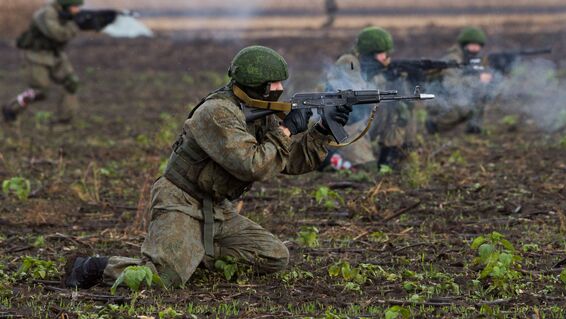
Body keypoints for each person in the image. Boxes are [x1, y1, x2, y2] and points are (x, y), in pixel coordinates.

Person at [64, 46, 352, 289]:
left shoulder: (259, 112)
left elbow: (285, 163)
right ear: (256, 85)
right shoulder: (216, 113)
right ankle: (93, 267)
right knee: (164, 279)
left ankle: (191, 253)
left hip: (217, 208)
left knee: (274, 256)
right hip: (180, 200)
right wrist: (287, 131)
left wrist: (322, 131)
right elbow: (254, 165)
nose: (280, 89)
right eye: (274, 84)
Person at [325, 26, 414, 170]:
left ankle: (388, 157)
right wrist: (384, 77)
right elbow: (357, 90)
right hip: (344, 126)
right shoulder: (348, 62)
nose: (386, 58)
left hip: (364, 123)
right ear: (369, 54)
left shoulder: (377, 69)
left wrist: (407, 81)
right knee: (367, 169)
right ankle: (328, 158)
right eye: (381, 53)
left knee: (397, 109)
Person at [2, 0, 83, 125]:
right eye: (75, 7)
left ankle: (64, 120)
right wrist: (76, 24)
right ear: (66, 5)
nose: (77, 10)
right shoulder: (46, 14)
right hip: (37, 55)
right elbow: (57, 34)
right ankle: (12, 109)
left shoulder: (65, 15)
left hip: (55, 54)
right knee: (39, 92)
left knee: (71, 83)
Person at [425, 26, 493, 135]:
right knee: (466, 106)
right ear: (464, 45)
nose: (476, 49)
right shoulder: (452, 59)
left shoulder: (473, 59)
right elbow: (451, 85)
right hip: (440, 101)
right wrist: (477, 79)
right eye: (472, 45)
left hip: (452, 98)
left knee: (481, 96)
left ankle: (474, 128)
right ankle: (434, 125)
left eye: (478, 46)